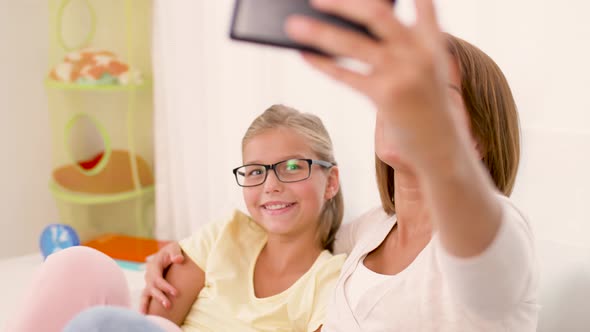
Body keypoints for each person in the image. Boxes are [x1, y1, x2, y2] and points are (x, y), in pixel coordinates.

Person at [142, 0, 539, 330]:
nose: (406, 105)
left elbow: (484, 256)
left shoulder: (500, 228)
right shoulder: (370, 231)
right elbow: (296, 233)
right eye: (400, 92)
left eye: (433, 96)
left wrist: (443, 163)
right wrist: (179, 255)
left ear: (479, 141)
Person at [4, 104, 346, 332]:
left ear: (330, 181)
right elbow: (156, 319)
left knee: (96, 324)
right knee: (78, 263)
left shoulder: (330, 281)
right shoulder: (226, 233)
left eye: (291, 167)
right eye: (256, 171)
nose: (271, 185)